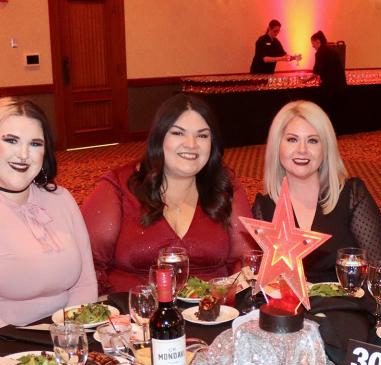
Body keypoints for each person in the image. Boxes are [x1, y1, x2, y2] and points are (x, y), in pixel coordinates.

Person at [0, 97, 97, 349]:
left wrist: (71, 339)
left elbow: (85, 283)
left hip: (68, 344)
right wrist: (36, 353)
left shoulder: (61, 199)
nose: (23, 155)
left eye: (35, 144)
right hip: (8, 353)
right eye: (11, 140)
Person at [81, 94, 254, 294]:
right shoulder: (117, 187)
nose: (191, 144)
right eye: (178, 133)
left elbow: (245, 263)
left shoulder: (224, 185)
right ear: (159, 137)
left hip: (210, 314)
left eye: (203, 135)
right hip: (135, 316)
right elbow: (88, 267)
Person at [252, 100, 381, 282]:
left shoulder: (351, 195)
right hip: (292, 309)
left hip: (348, 305)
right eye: (292, 139)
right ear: (277, 146)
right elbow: (265, 281)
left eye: (313, 141)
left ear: (326, 148)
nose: (302, 150)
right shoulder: (264, 207)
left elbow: (379, 273)